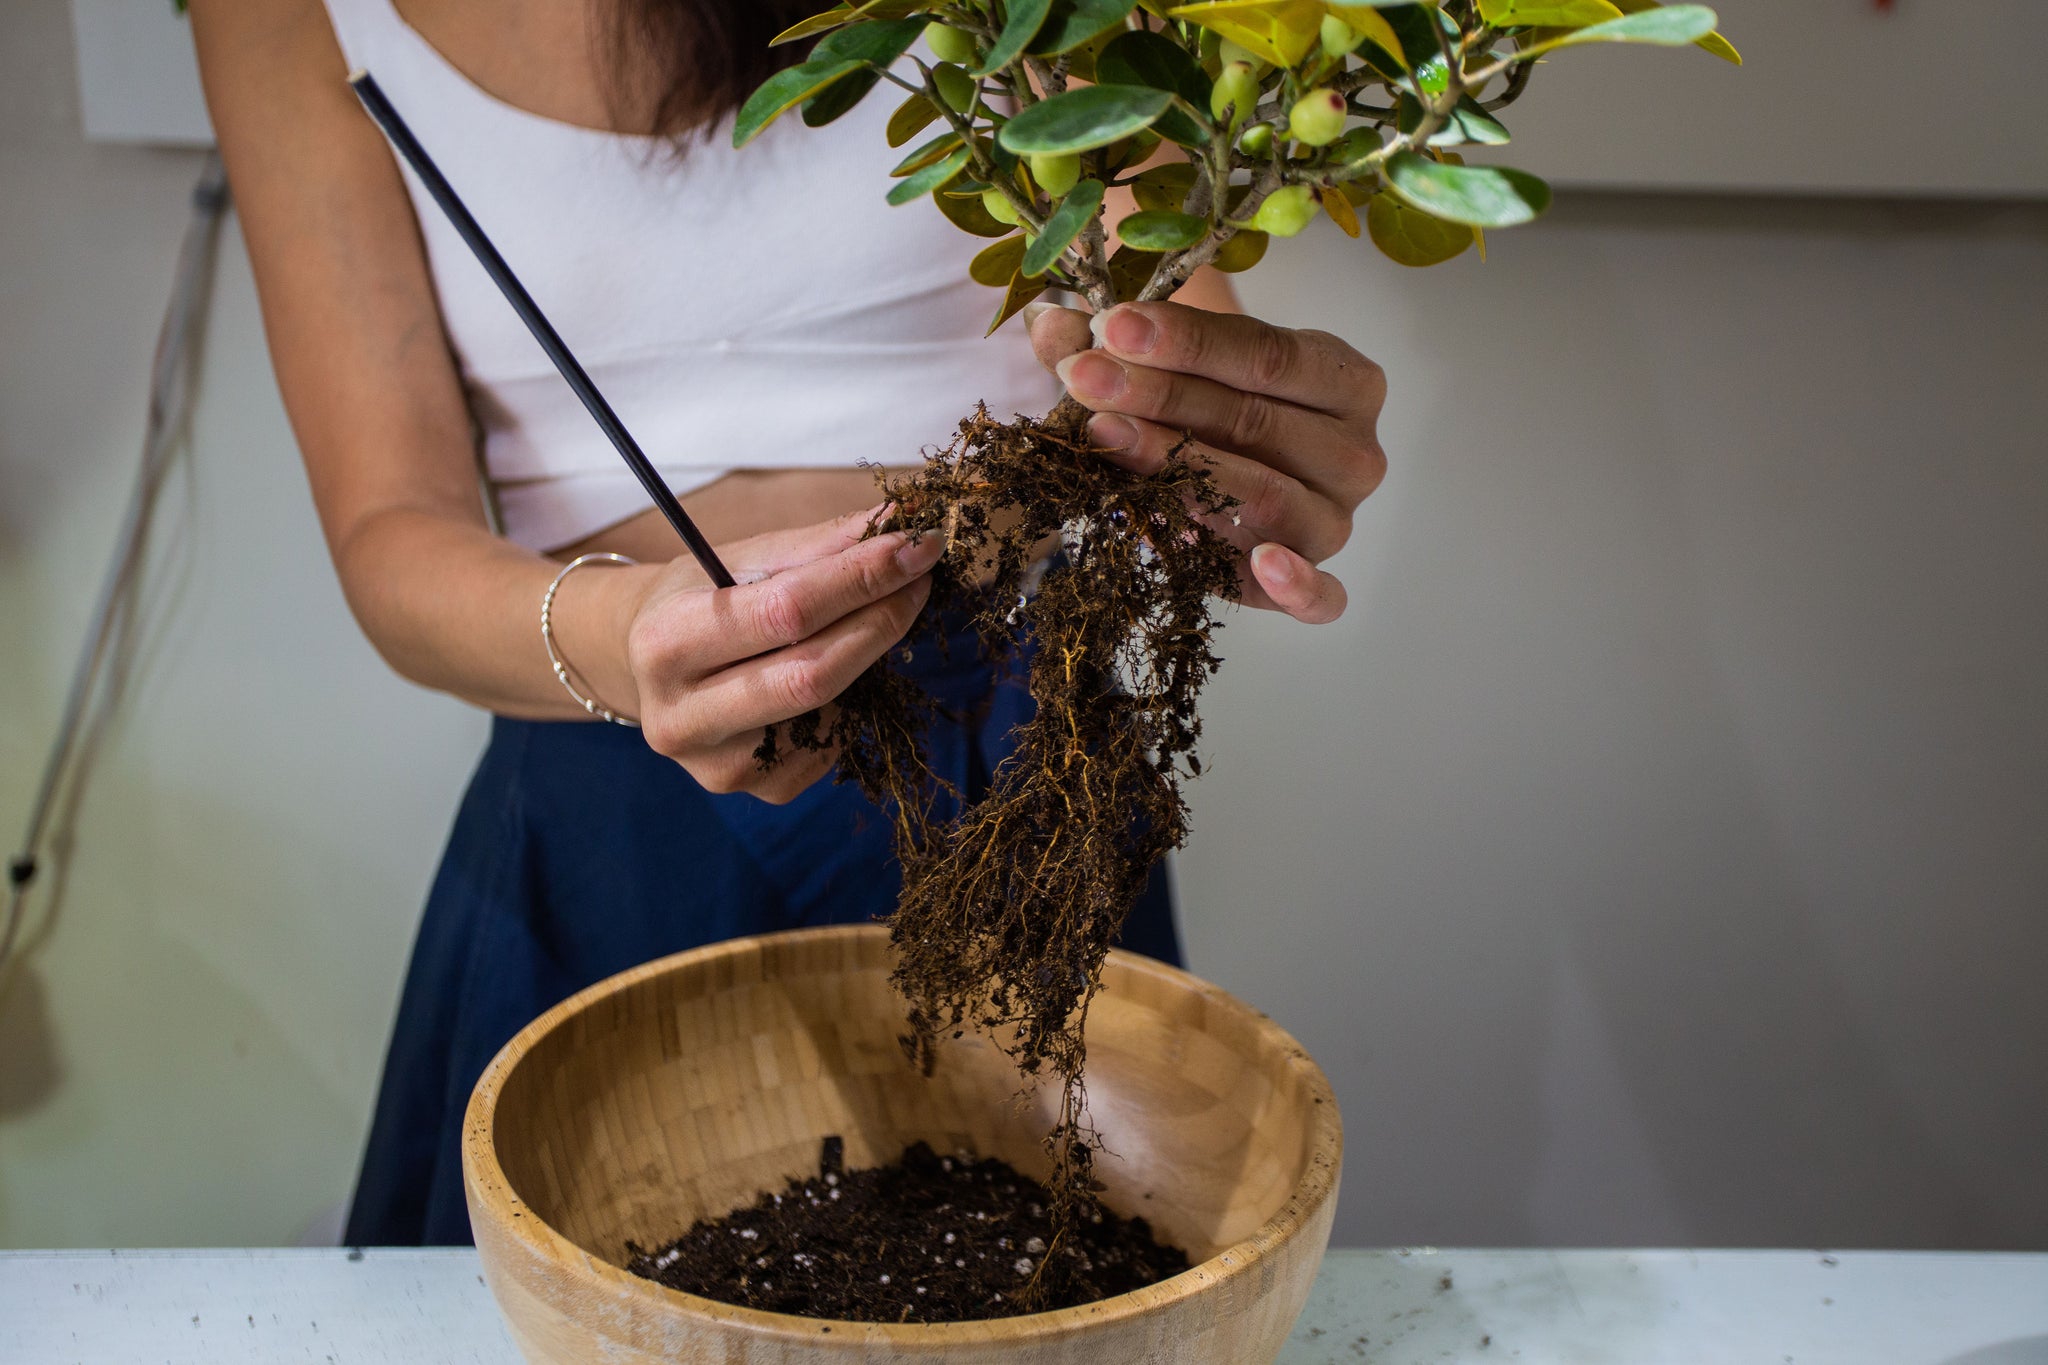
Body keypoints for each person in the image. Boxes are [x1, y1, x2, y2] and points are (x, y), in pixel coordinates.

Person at [189, 0, 1390, 1245]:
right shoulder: (287, 18)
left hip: (1007, 763)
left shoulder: (1043, 24)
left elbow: (1159, 304)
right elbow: (391, 530)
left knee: (1057, 1268)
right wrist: (629, 634)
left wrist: (1214, 433)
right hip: (614, 780)